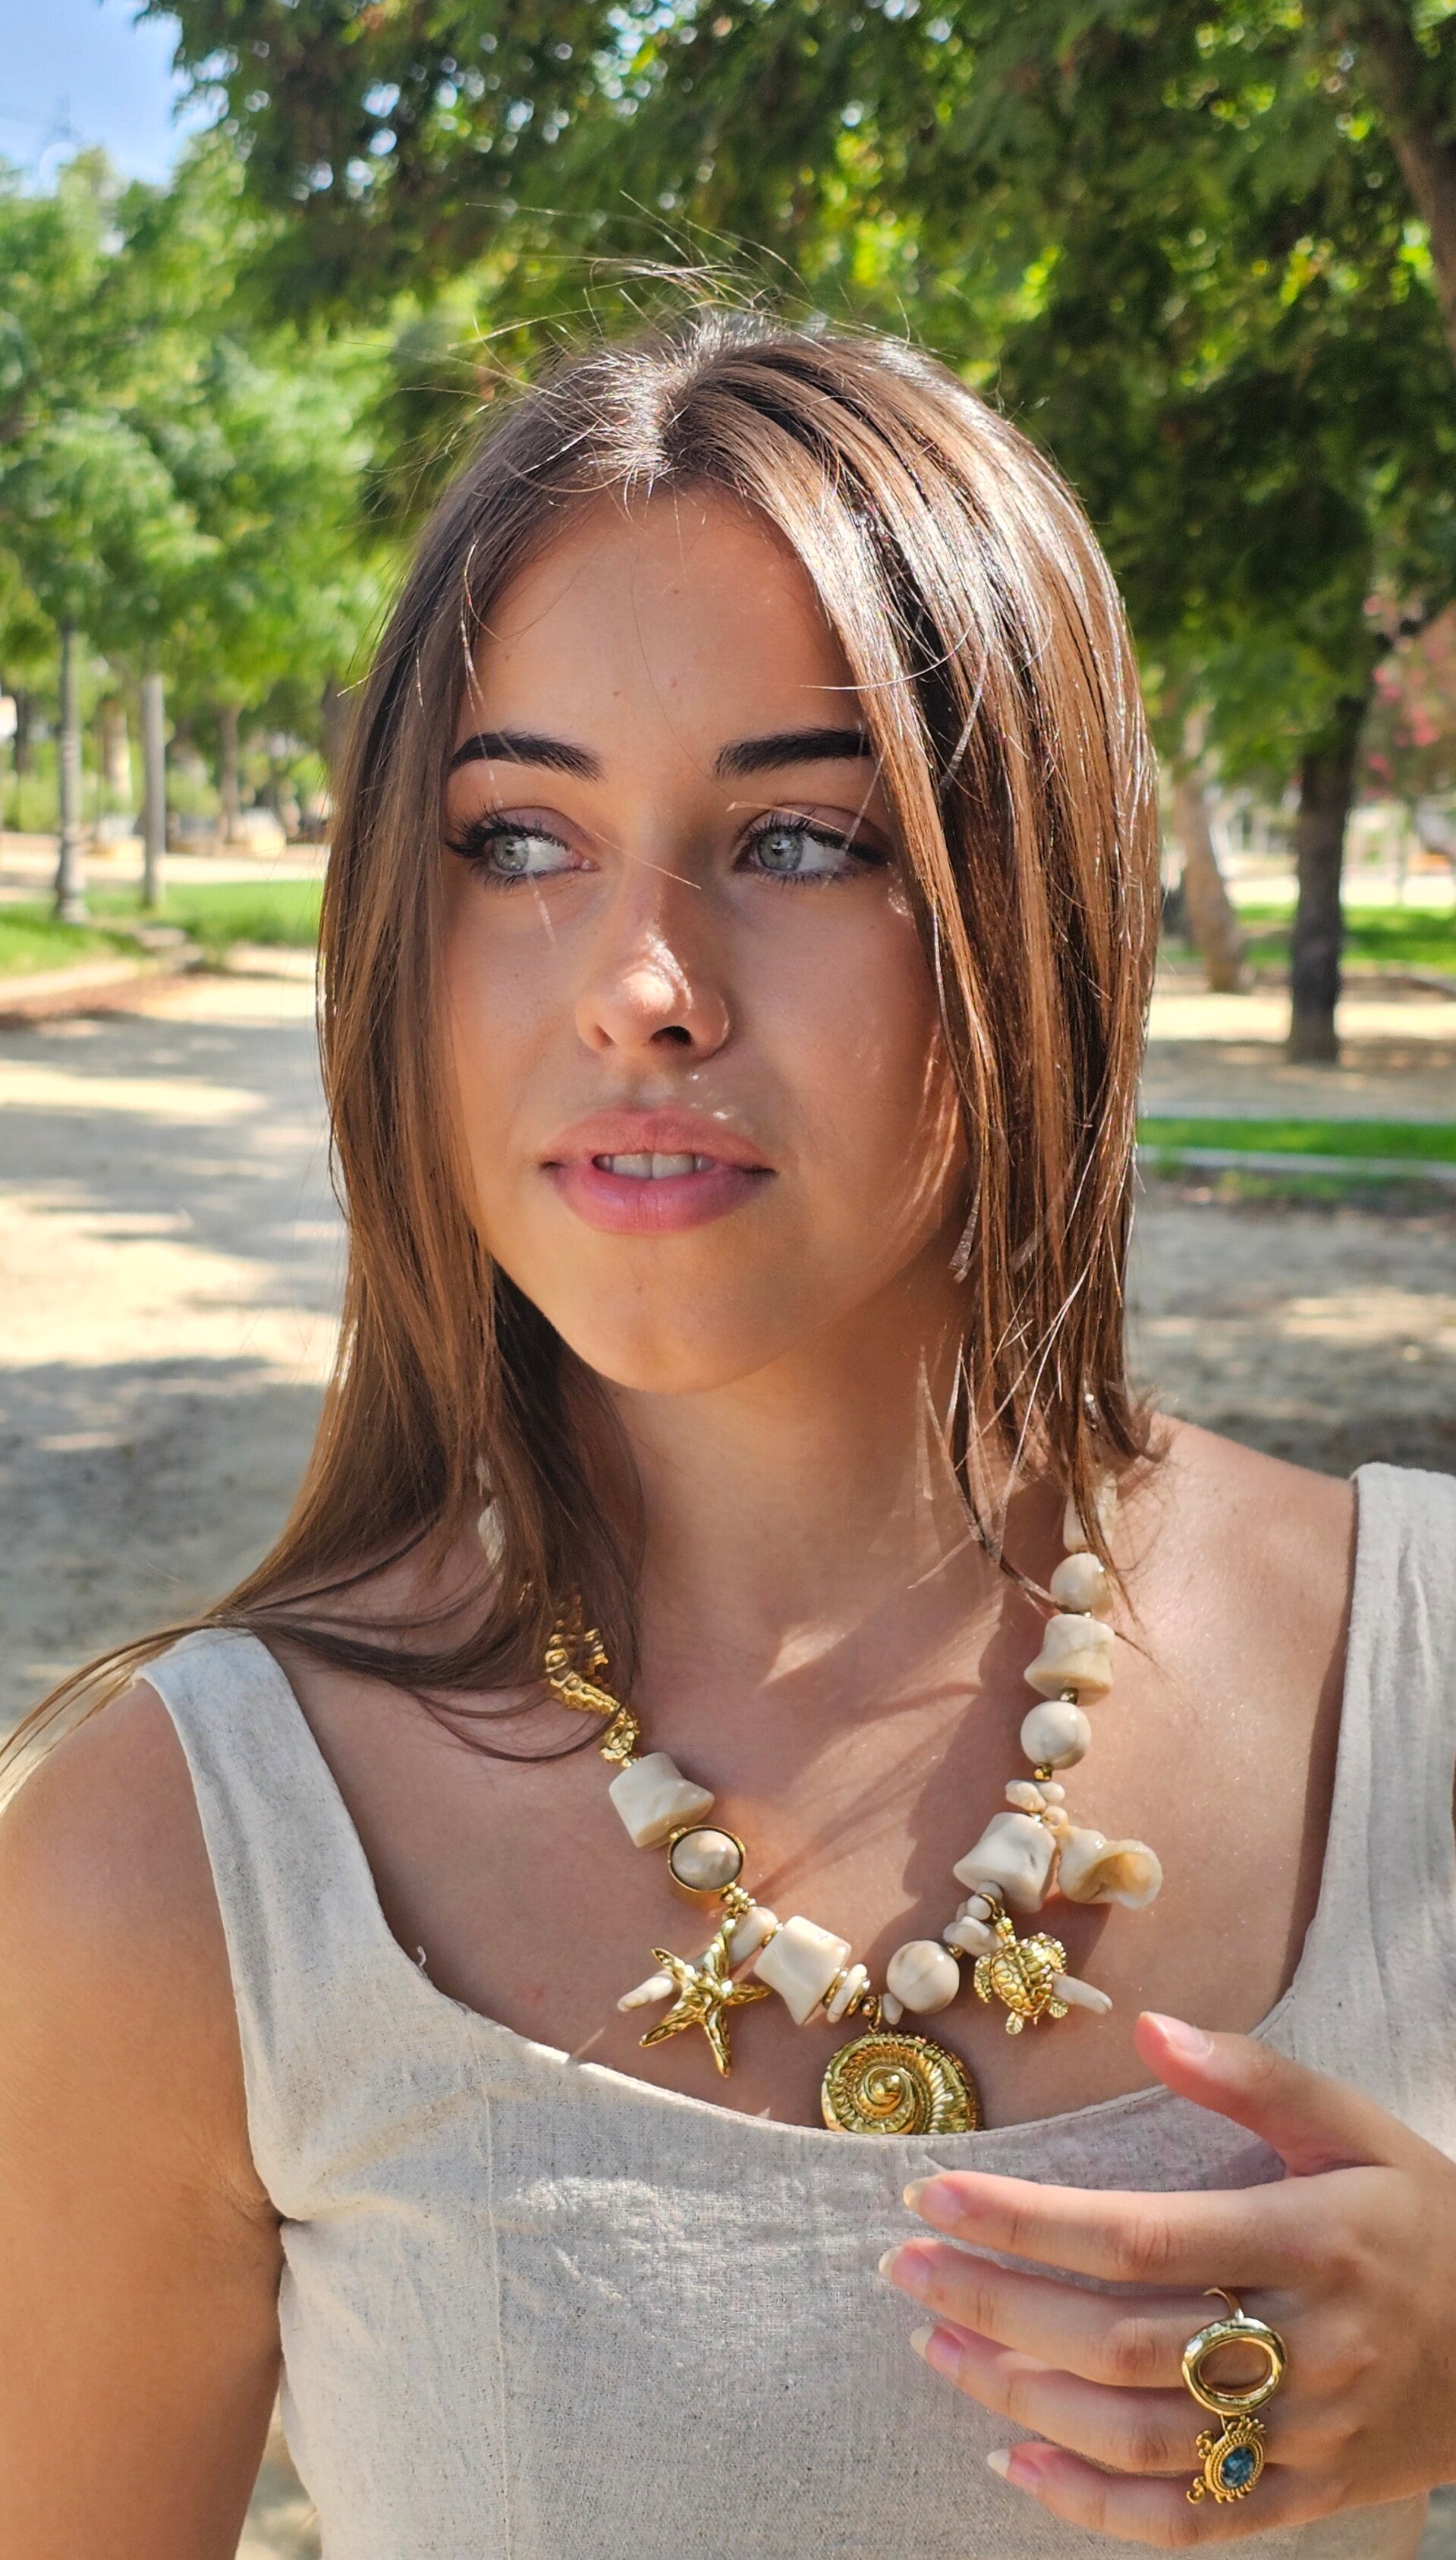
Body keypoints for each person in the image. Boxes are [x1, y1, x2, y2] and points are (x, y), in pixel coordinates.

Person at [1, 316, 1452, 2560]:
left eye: (798, 835)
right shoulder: (166, 1861)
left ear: (1045, 906)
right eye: (518, 836)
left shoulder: (1427, 1669)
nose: (641, 984)